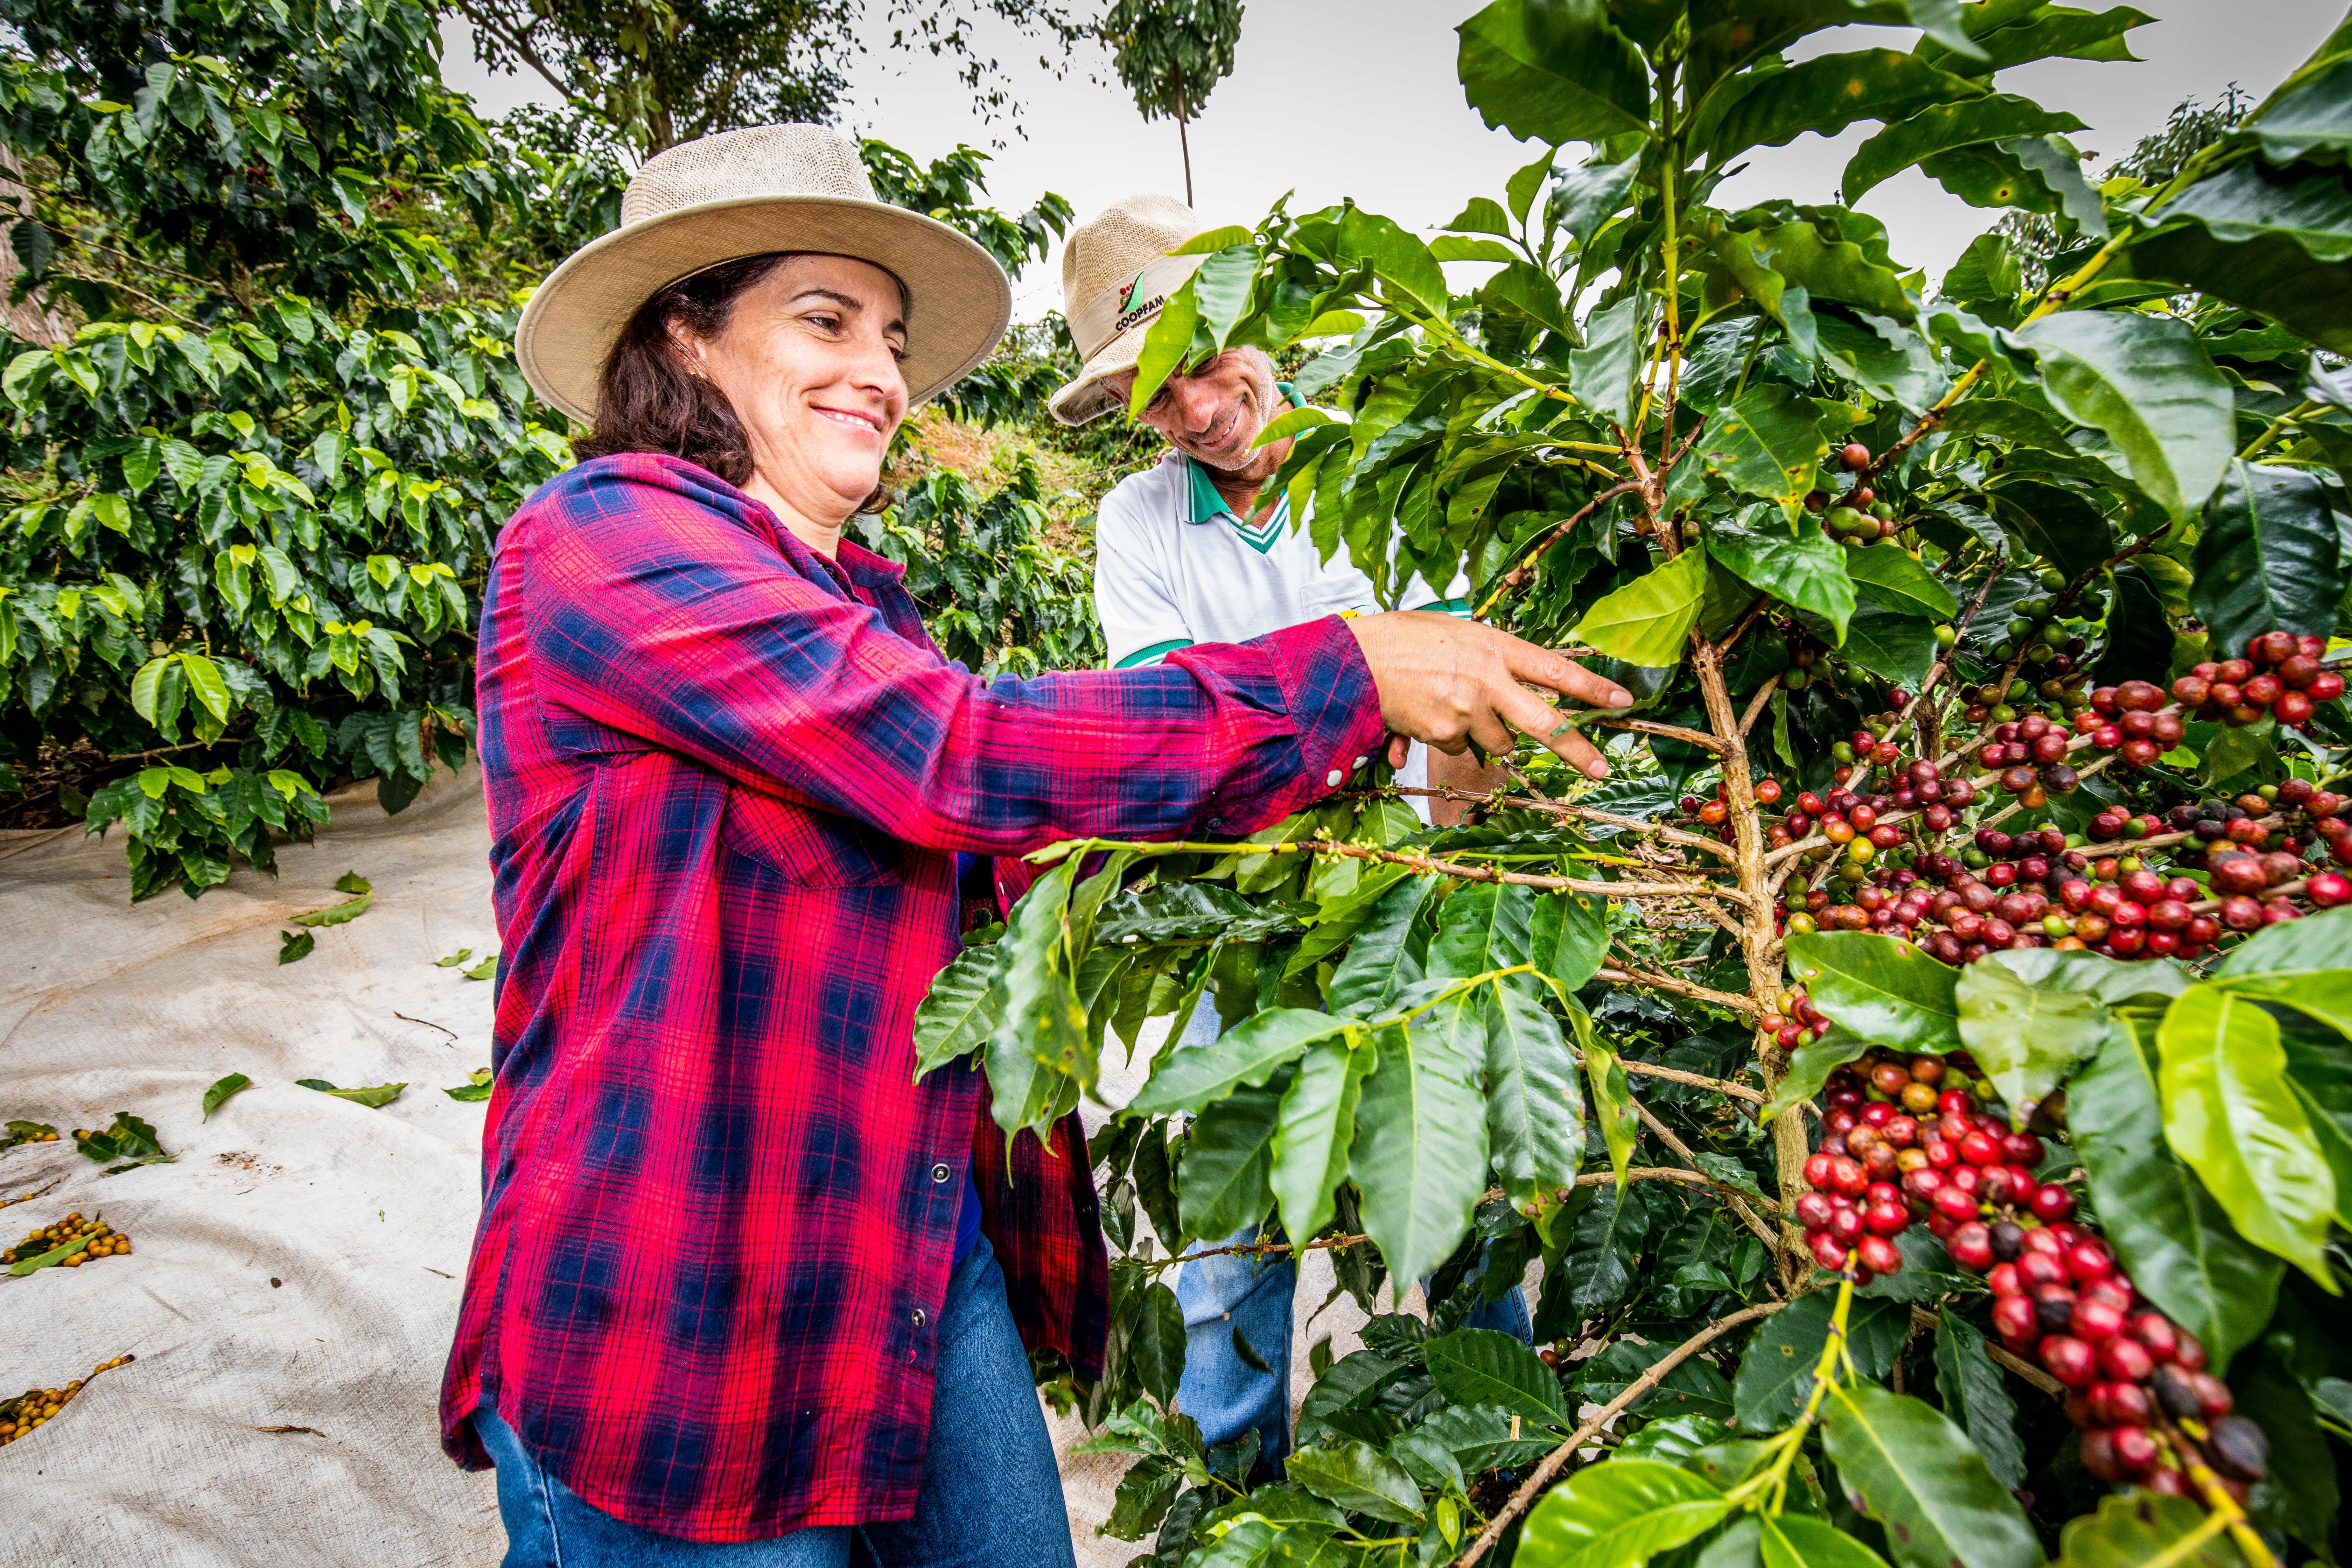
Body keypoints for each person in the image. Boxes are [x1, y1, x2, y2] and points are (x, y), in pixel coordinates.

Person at [441, 123, 1631, 1568]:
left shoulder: (863, 600)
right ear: (684, 340)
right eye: (824, 321)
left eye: (887, 334)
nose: (879, 371)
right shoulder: (599, 537)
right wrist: (1346, 673)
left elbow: (988, 846)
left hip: (902, 1244)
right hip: (688, 1277)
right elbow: (959, 752)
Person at [1051, 195, 1529, 1470]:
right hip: (1238, 924)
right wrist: (1362, 677)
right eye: (1159, 397)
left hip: (1414, 903)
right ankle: (1234, 1502)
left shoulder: (1378, 469)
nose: (1199, 408)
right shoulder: (1139, 525)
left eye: (1204, 361)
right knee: (1232, 1258)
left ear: (1259, 324)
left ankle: (1510, 1471)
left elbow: (1465, 717)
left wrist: (1452, 879)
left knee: (1460, 1208)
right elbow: (1177, 734)